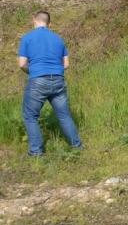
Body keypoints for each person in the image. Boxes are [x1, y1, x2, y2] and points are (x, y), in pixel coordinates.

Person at [17, 11, 82, 157]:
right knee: (64, 116)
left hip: (37, 80)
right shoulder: (58, 39)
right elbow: (66, 64)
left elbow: (22, 64)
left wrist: (33, 72)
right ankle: (77, 147)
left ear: (34, 20)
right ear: (49, 23)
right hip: (58, 79)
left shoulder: (27, 38)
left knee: (30, 116)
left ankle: (36, 152)